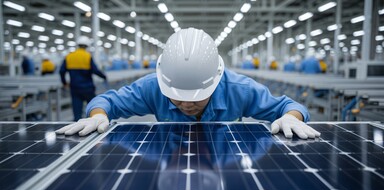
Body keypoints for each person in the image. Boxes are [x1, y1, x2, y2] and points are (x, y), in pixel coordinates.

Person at [56, 28, 320, 140]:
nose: (185, 103)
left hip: (225, 164)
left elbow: (288, 106)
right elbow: (107, 101)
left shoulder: (240, 89)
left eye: (196, 97)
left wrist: (293, 117)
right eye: (176, 96)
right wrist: (97, 114)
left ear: (215, 83)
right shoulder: (153, 87)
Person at [59, 36, 108, 121]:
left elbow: (61, 71)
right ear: (87, 46)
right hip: (88, 88)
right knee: (93, 108)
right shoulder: (87, 56)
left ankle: (77, 128)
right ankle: (92, 126)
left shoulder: (69, 56)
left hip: (75, 88)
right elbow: (95, 70)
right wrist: (104, 76)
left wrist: (64, 83)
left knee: (77, 113)